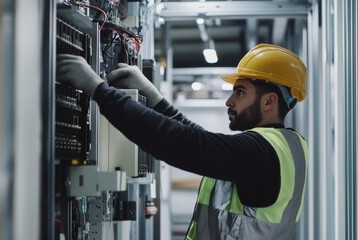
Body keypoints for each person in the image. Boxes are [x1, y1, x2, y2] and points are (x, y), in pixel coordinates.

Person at [56, 43, 308, 239]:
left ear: (269, 101)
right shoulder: (287, 146)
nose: (229, 101)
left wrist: (98, 90)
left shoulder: (260, 152)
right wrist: (153, 97)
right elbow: (200, 140)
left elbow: (187, 144)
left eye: (240, 92)